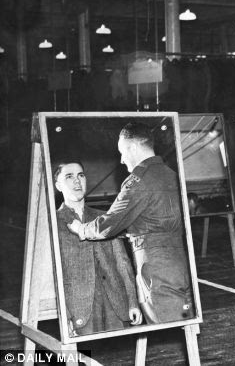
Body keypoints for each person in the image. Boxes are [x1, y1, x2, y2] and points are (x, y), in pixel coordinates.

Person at [67, 122, 194, 324]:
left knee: (164, 323)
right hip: (181, 260)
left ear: (133, 147)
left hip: (155, 264)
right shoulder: (171, 175)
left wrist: (81, 228)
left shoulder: (138, 180)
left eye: (122, 151)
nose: (122, 159)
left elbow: (109, 224)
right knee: (185, 322)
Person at [54, 161, 142, 336]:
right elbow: (54, 275)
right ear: (58, 185)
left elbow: (122, 262)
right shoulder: (53, 222)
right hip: (79, 309)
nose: (77, 181)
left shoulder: (104, 218)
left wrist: (133, 302)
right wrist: (65, 315)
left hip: (116, 305)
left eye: (81, 175)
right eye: (69, 177)